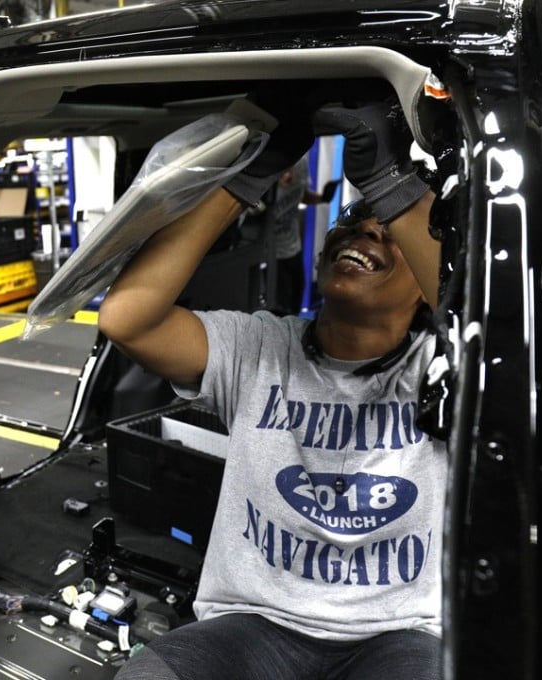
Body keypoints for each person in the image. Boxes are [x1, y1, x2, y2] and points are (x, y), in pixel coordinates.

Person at [99, 95, 446, 680]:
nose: (364, 231)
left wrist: (393, 186)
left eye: (388, 231)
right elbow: (126, 319)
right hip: (254, 626)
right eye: (351, 224)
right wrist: (248, 176)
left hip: (398, 636)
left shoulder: (446, 364)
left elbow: (510, 333)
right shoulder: (259, 348)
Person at [266, 155, 337, 315]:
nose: (288, 176)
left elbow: (300, 194)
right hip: (269, 254)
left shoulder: (301, 163)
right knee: (278, 312)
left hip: (292, 247)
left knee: (295, 303)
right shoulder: (264, 173)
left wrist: (322, 198)